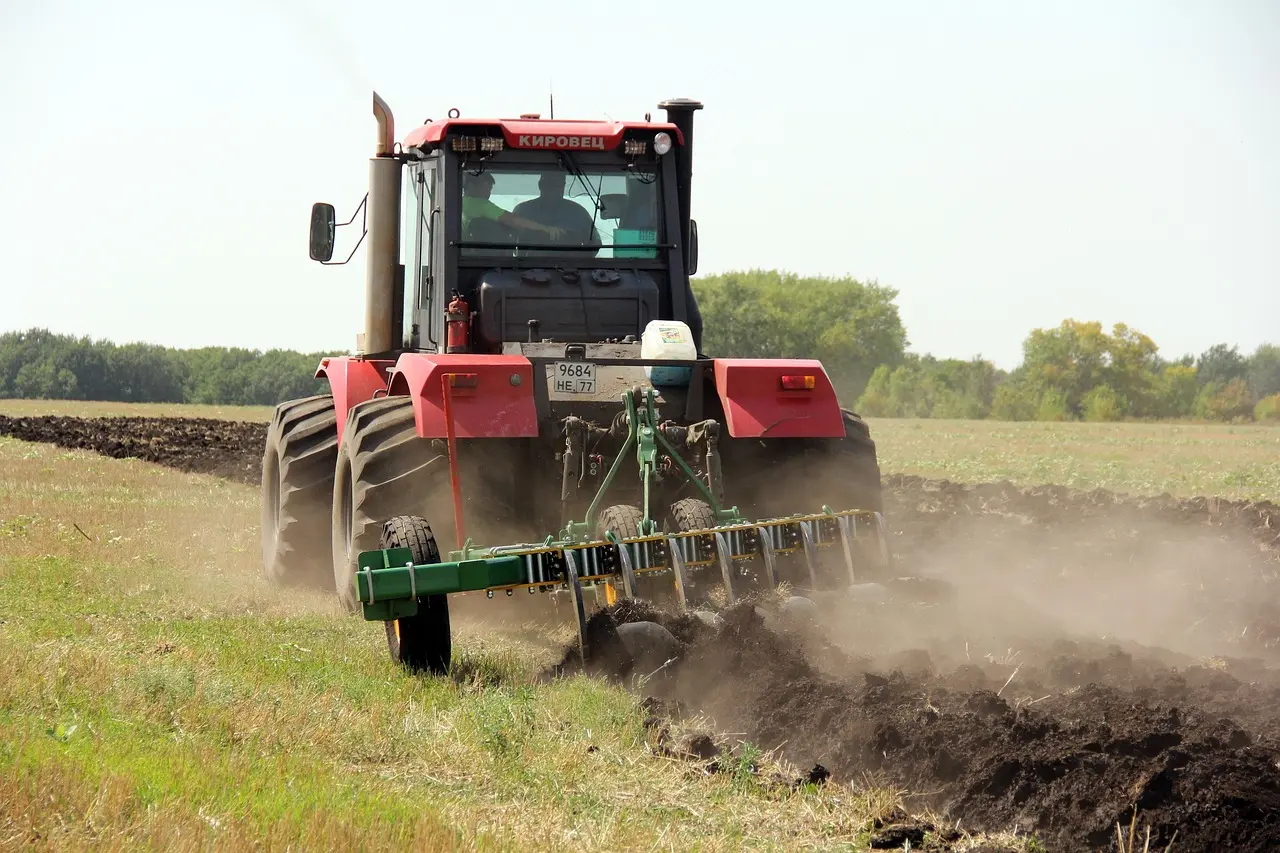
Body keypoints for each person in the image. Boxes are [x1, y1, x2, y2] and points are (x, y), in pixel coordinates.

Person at [512, 172, 602, 253]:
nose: (555, 189)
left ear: (564, 186)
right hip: (527, 264)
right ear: (540, 185)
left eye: (559, 185)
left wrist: (582, 261)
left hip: (571, 265)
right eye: (550, 185)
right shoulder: (522, 211)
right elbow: (509, 239)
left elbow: (595, 242)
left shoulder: (579, 213)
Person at [461, 172, 565, 242]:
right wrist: (545, 229)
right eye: (485, 188)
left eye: (490, 189)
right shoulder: (480, 204)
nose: (488, 193)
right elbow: (514, 220)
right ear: (470, 186)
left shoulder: (459, 204)